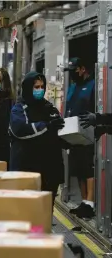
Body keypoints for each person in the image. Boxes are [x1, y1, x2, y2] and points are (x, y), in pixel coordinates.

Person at [9, 71, 66, 209]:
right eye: (36, 87)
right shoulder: (19, 109)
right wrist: (47, 126)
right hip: (27, 168)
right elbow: (20, 130)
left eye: (42, 87)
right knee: (27, 210)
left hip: (50, 170)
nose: (40, 90)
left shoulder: (50, 108)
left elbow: (57, 131)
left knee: (45, 211)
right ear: (28, 88)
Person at [64, 57, 96, 219]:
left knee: (88, 167)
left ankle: (90, 203)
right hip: (72, 133)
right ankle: (83, 202)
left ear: (83, 69)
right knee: (77, 169)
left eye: (74, 70)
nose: (72, 74)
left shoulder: (93, 85)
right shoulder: (72, 87)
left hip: (87, 133)